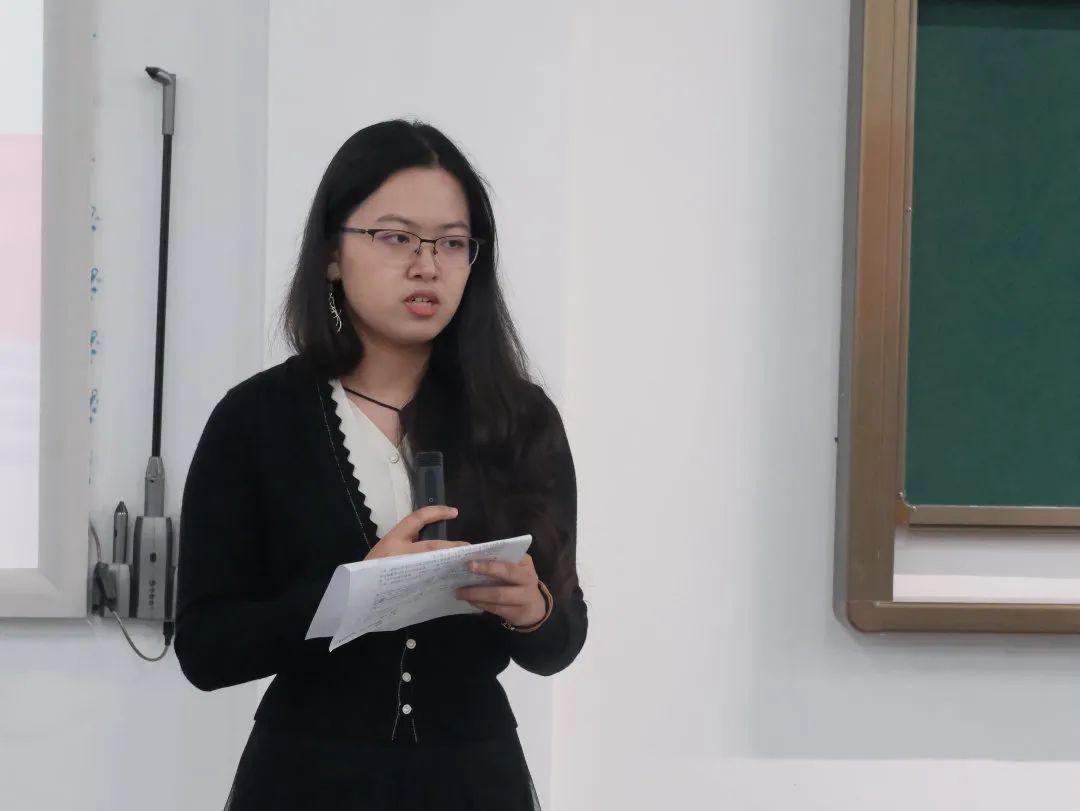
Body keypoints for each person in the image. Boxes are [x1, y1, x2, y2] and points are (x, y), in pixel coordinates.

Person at [174, 120, 587, 810]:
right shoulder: (258, 418)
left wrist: (532, 610)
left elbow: (562, 640)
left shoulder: (519, 416)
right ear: (332, 255)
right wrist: (352, 595)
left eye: (451, 242)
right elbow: (205, 650)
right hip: (305, 783)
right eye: (396, 238)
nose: (427, 265)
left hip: (475, 783)